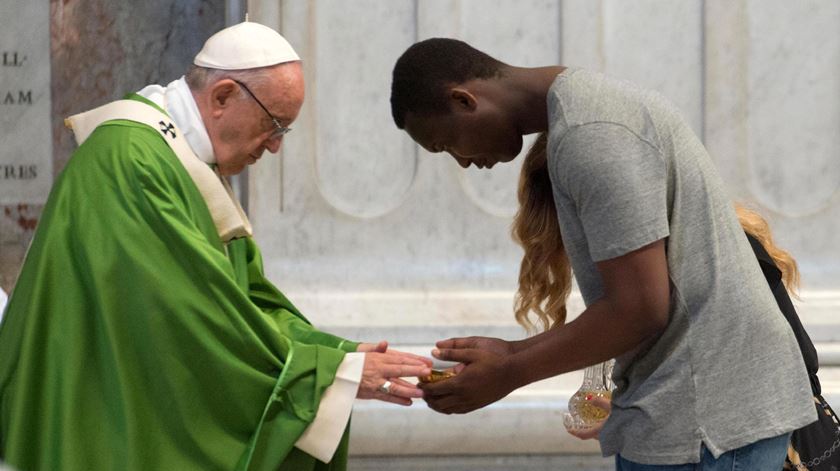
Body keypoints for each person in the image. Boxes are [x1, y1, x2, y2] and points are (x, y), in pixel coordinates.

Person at [0, 22, 431, 471]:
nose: (277, 146)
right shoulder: (133, 161)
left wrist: (335, 355)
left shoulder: (180, 158)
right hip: (92, 421)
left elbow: (241, 300)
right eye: (275, 125)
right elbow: (191, 323)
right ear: (223, 96)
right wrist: (327, 373)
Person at [390, 38, 815, 469]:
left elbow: (640, 308)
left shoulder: (592, 132)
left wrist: (510, 371)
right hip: (700, 415)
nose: (461, 162)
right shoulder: (586, 115)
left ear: (464, 100)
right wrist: (508, 355)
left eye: (446, 144)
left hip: (708, 425)